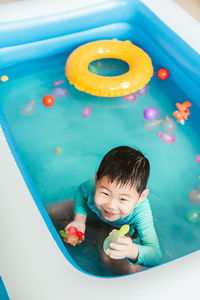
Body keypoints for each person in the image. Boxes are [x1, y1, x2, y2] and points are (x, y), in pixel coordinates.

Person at [47, 146, 162, 275]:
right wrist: (79, 219)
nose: (111, 205)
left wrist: (131, 251)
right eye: (105, 194)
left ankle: (133, 269)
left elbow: (155, 255)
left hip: (121, 230)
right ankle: (93, 230)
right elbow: (80, 192)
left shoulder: (141, 213)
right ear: (97, 180)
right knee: (50, 212)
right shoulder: (91, 186)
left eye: (123, 199)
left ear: (141, 197)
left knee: (110, 260)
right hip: (93, 210)